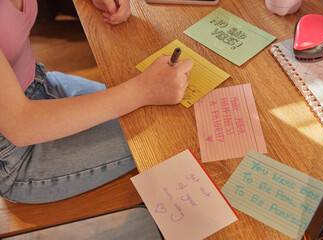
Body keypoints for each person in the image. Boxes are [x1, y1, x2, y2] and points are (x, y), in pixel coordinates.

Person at [0, 0, 193, 204]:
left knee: (165, 116)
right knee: (169, 130)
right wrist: (143, 89)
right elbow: (21, 125)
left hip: (41, 84)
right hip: (16, 155)